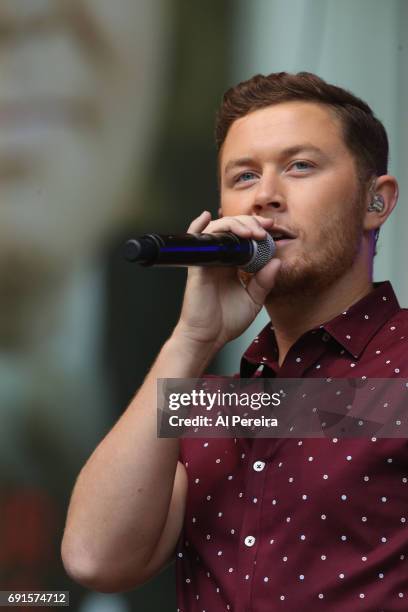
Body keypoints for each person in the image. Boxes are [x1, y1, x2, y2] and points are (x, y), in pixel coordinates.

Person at [61, 72, 407, 610]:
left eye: (300, 166)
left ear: (376, 202)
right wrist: (191, 338)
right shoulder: (213, 403)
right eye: (244, 177)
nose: (266, 196)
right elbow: (95, 559)